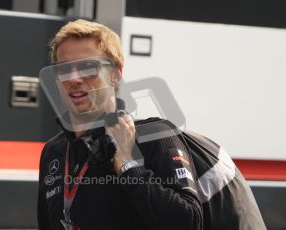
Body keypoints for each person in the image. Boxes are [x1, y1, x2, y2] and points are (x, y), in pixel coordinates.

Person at [37, 19, 265, 230]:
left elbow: (187, 221)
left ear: (115, 75)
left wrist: (128, 163)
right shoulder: (54, 151)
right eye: (64, 69)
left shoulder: (154, 135)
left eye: (88, 67)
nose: (74, 78)